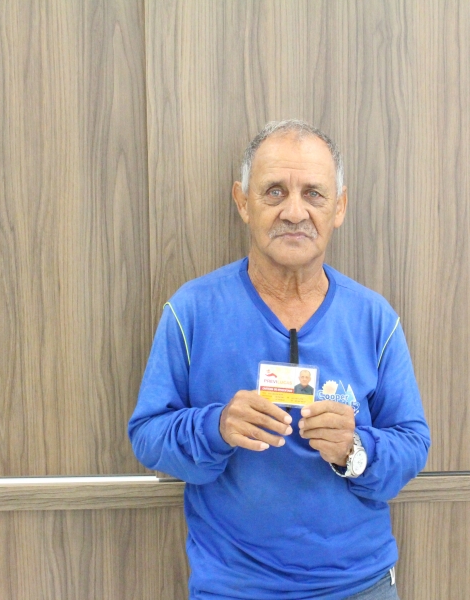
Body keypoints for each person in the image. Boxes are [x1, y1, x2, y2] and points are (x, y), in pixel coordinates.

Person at [128, 120, 430, 600]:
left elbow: (413, 443)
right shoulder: (192, 310)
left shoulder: (374, 319)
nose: (294, 211)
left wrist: (354, 450)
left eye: (313, 194)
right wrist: (215, 427)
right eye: (274, 192)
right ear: (242, 202)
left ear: (339, 207)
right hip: (234, 589)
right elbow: (147, 435)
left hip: (359, 585)